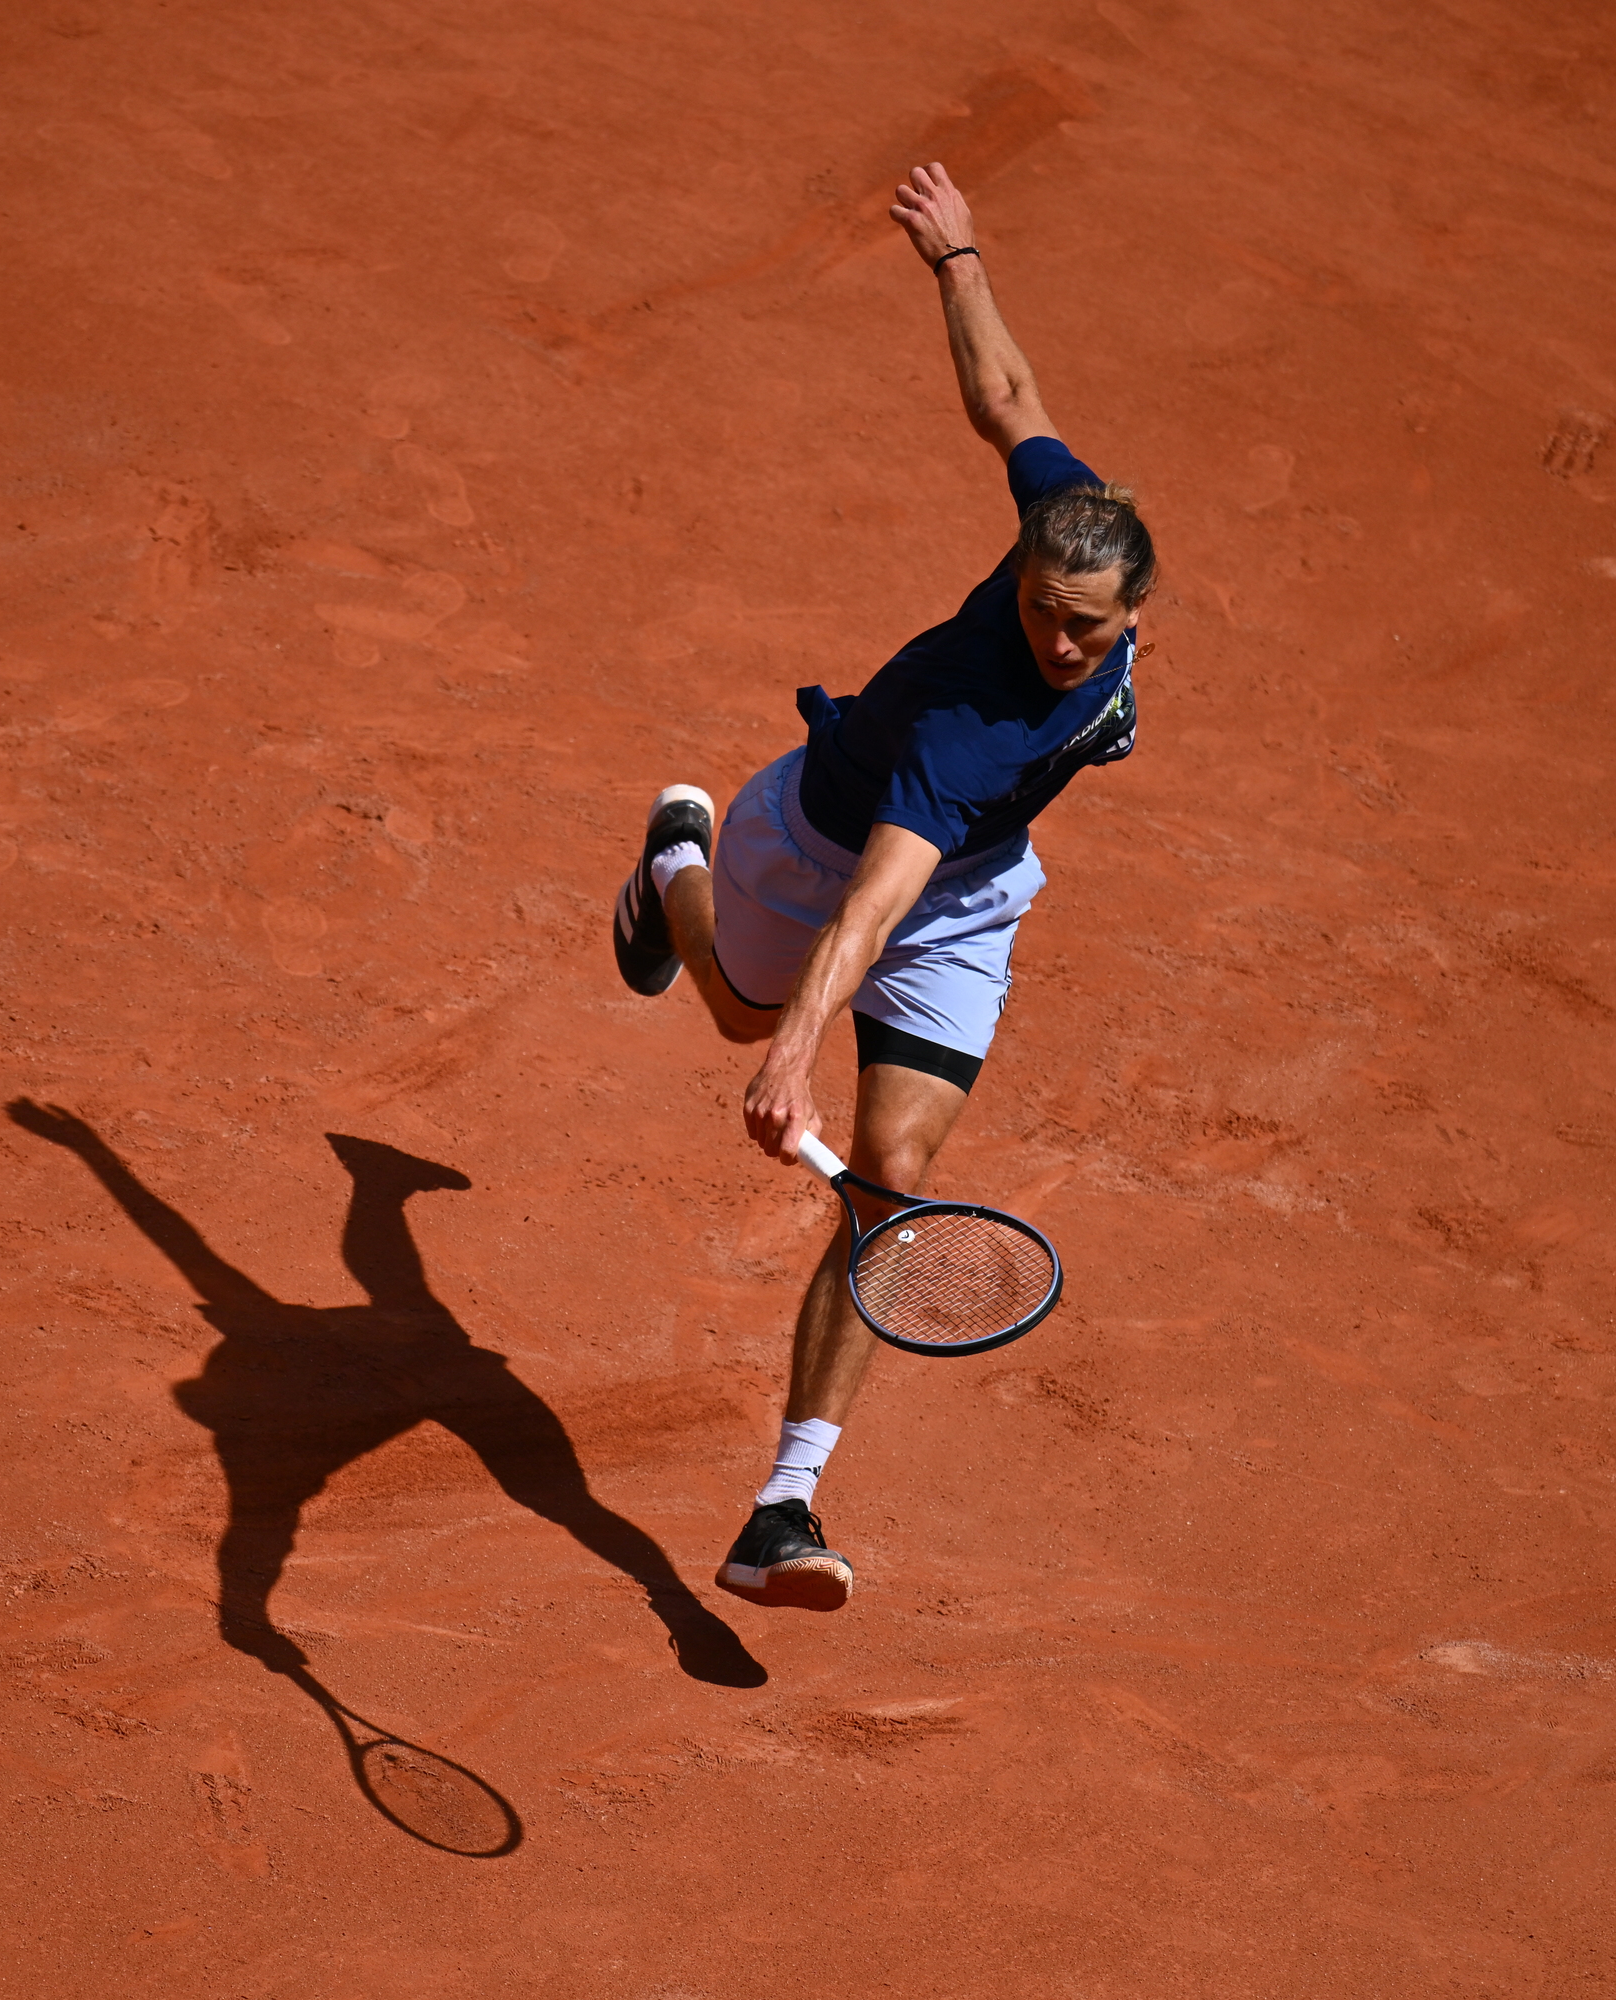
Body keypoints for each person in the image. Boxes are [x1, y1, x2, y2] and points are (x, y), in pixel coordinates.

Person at [608, 163, 1155, 1613]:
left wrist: (958, 256)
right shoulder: (969, 730)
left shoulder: (1076, 529)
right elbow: (866, 912)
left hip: (969, 895)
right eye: (1036, 608)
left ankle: (781, 1505)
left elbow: (1013, 402)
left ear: (1127, 608)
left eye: (1080, 622)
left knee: (893, 1186)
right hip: (826, 848)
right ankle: (676, 855)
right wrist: (791, 1053)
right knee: (735, 1011)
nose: (1051, 633)